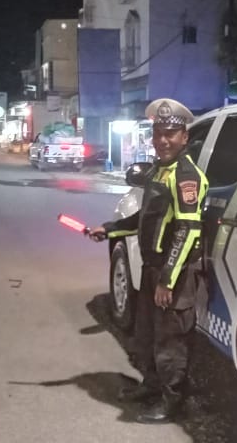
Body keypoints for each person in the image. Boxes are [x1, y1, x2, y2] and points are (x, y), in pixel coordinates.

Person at [88, 98, 208, 424]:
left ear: (184, 137)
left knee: (170, 342)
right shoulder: (158, 171)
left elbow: (187, 229)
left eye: (171, 134)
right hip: (152, 268)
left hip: (174, 272)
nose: (163, 140)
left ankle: (172, 403)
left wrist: (168, 280)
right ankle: (151, 386)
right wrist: (109, 229)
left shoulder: (186, 176)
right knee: (147, 335)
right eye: (158, 133)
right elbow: (145, 217)